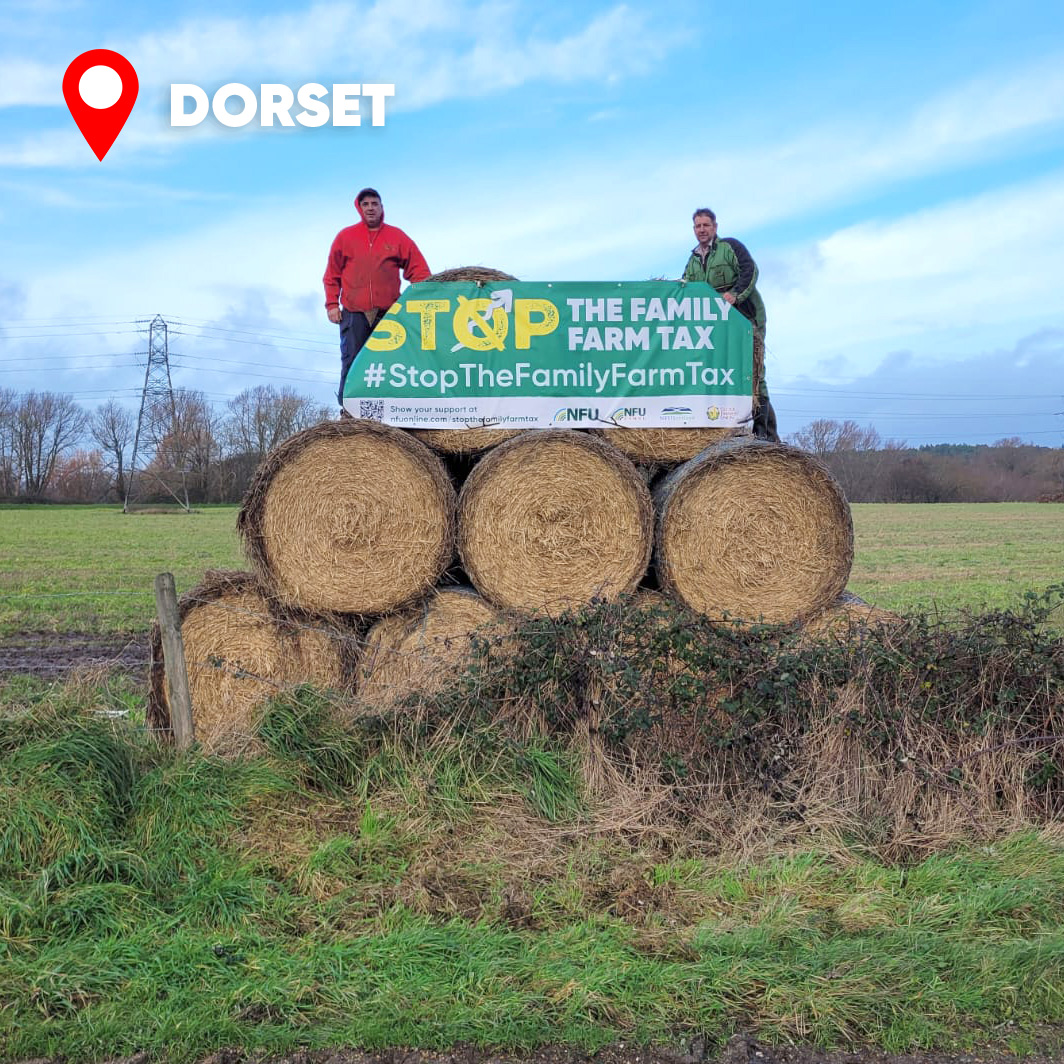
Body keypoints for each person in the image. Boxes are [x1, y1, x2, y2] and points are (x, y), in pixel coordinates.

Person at [323, 188, 431, 407]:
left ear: (382, 207)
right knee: (352, 360)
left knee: (390, 361)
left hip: (388, 313)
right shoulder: (345, 237)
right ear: (359, 208)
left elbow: (419, 270)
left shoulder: (397, 236)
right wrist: (332, 304)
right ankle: (348, 409)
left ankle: (393, 408)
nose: (370, 208)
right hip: (354, 312)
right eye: (366, 204)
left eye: (374, 203)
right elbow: (331, 274)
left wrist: (420, 299)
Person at [682, 208, 778, 441]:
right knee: (723, 374)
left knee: (753, 374)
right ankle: (728, 429)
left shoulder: (730, 248)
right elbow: (684, 290)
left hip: (746, 320)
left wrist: (735, 294)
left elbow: (750, 270)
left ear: (715, 227)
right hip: (717, 328)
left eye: (706, 225)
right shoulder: (693, 261)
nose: (702, 230)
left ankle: (765, 434)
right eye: (697, 226)